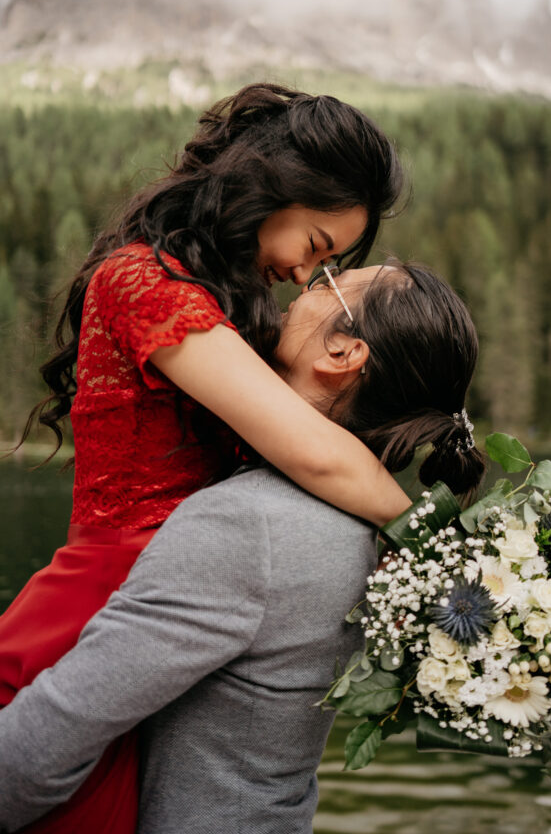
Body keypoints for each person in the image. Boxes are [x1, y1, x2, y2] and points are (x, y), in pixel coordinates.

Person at [0, 261, 485, 834]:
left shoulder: (251, 525)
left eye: (325, 284)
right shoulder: (362, 530)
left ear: (341, 353)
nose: (300, 287)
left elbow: (43, 746)